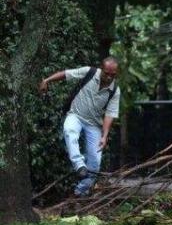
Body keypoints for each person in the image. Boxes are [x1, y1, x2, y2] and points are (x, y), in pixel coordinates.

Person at [39, 57, 121, 197]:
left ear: (116, 74)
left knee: (95, 163)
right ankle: (79, 165)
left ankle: (80, 194)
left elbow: (110, 114)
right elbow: (66, 74)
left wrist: (104, 135)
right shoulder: (89, 72)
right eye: (106, 73)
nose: (108, 77)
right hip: (75, 115)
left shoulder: (114, 91)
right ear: (101, 69)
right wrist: (47, 80)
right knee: (69, 130)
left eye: (112, 75)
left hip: (94, 125)